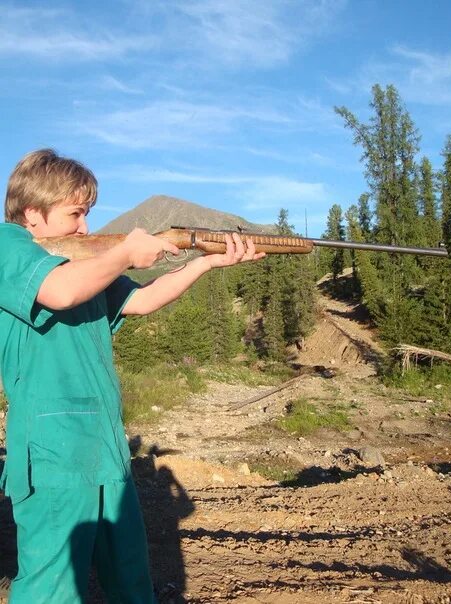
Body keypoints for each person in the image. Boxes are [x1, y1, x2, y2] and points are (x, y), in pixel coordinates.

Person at [0, 149, 265, 603]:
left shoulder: (82, 263)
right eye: (75, 214)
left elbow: (141, 300)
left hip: (104, 447)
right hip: (52, 453)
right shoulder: (8, 246)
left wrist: (205, 262)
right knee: (51, 590)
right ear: (32, 215)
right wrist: (124, 252)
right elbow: (58, 292)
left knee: (132, 583)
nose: (85, 227)